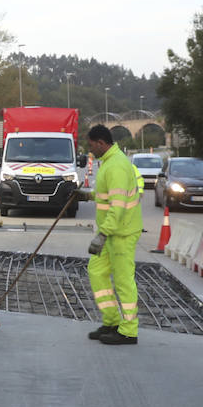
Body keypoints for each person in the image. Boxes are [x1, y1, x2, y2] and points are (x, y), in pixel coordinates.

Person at [86, 124, 142, 345]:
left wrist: (103, 234)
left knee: (123, 280)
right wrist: (86, 196)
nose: (90, 150)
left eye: (91, 146)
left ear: (101, 143)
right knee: (96, 271)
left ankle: (128, 331)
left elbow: (117, 206)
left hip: (122, 233)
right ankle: (111, 321)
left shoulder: (117, 165)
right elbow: (106, 196)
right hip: (111, 233)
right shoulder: (108, 162)